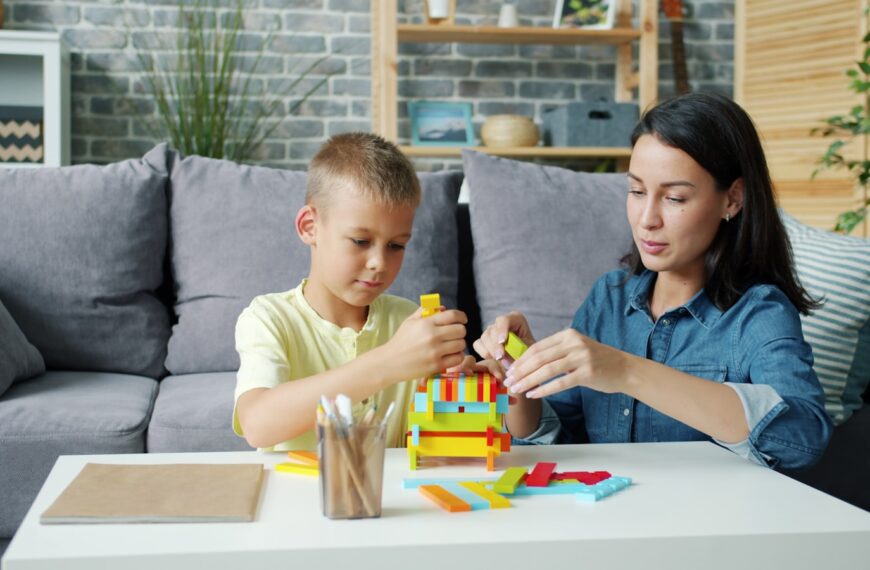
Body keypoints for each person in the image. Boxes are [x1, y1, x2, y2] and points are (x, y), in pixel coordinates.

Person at [473, 93, 832, 470]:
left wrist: (626, 371)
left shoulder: (758, 313)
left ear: (733, 199)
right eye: (637, 191)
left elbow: (802, 439)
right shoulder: (608, 299)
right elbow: (562, 441)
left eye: (674, 197)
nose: (647, 219)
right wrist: (523, 378)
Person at [233, 132, 468, 451]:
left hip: (390, 495)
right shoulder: (269, 318)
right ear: (309, 227)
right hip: (293, 497)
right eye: (360, 241)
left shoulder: (407, 321)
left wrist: (485, 385)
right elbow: (258, 425)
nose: (379, 262)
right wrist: (387, 362)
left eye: (396, 246)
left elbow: (447, 441)